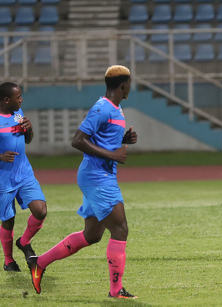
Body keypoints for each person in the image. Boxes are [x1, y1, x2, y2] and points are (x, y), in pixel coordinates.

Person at [27, 65, 138, 299]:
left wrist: (123, 138)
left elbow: (102, 138)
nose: (131, 86)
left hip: (99, 175)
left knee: (92, 235)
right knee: (120, 229)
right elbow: (78, 140)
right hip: (98, 177)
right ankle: (116, 291)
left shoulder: (115, 108)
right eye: (130, 82)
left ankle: (40, 262)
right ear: (123, 85)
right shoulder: (102, 108)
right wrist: (112, 155)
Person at [0, 82, 47, 272]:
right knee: (8, 220)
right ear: (5, 100)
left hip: (24, 173)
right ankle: (9, 261)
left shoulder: (18, 115)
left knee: (40, 210)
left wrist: (29, 128)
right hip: (3, 178)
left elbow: (27, 139)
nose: (21, 99)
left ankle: (24, 241)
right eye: (18, 97)